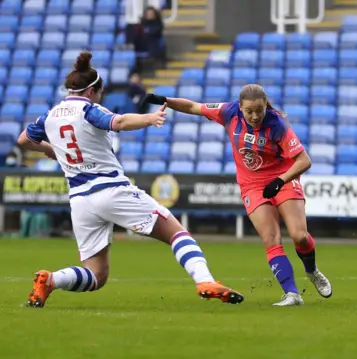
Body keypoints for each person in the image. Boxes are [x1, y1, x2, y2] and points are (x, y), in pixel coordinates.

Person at [16, 51, 244, 308]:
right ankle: (205, 281)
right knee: (176, 233)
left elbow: (24, 140)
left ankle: (51, 280)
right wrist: (150, 118)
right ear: (93, 91)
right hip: (111, 190)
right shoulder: (89, 110)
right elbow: (120, 121)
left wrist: (53, 150)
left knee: (96, 275)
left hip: (80, 200)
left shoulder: (50, 116)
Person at [144, 84, 332, 306]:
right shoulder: (227, 112)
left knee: (299, 236)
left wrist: (280, 181)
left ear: (265, 106)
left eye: (259, 110)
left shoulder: (277, 125)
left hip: (282, 178)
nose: (254, 116)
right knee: (271, 239)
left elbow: (304, 160)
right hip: (252, 185)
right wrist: (166, 99)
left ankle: (311, 270)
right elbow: (194, 106)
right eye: (249, 111)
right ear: (240, 108)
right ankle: (292, 294)